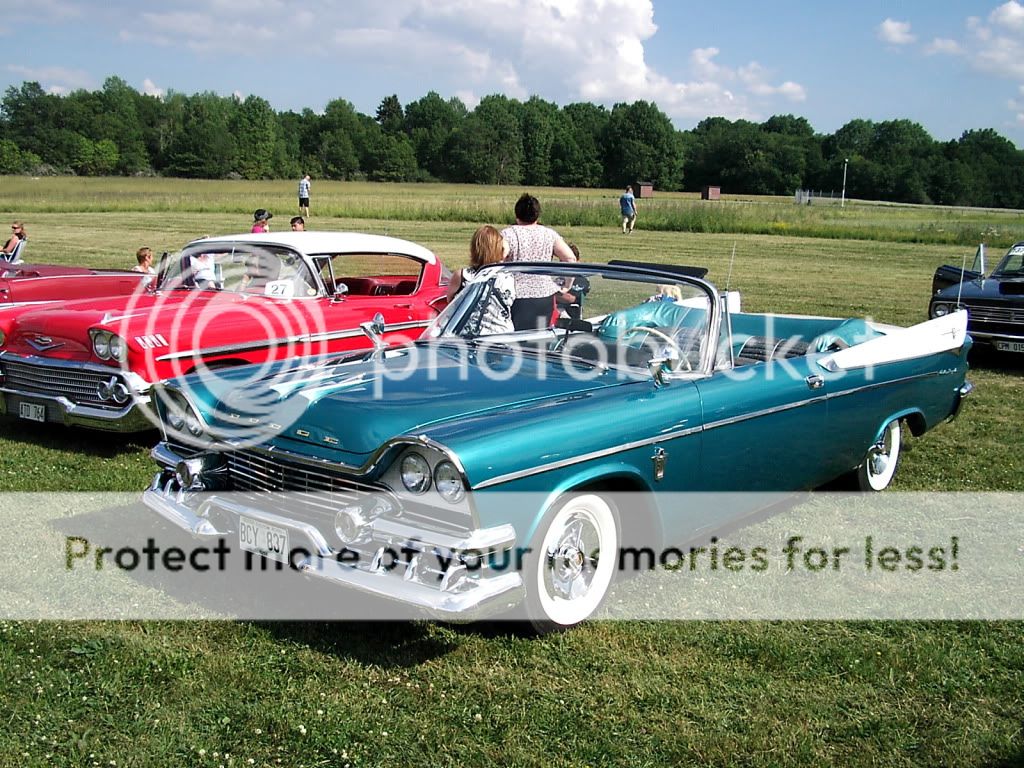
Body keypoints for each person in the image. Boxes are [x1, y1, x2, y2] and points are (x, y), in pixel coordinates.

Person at [501, 193, 578, 330]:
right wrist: (567, 286)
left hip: (516, 297)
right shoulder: (549, 234)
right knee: (539, 337)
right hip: (544, 298)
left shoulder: (508, 234)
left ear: (517, 214)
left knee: (515, 338)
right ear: (537, 215)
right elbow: (570, 258)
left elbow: (498, 258)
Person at [451, 225, 515, 336]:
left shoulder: (462, 276)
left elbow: (450, 303)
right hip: (501, 335)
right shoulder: (508, 277)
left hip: (468, 336)